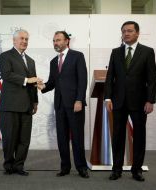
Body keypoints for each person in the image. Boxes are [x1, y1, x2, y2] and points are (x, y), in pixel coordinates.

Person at [104, 21, 156, 181]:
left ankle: (137, 170)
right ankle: (117, 169)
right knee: (118, 136)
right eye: (124, 31)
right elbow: (110, 77)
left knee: (139, 136)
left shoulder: (147, 52)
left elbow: (152, 79)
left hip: (140, 102)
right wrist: (107, 98)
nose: (126, 33)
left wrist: (150, 100)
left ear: (137, 33)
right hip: (118, 101)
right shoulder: (116, 52)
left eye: (130, 31)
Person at [37, 31, 89, 178]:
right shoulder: (54, 61)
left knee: (77, 137)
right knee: (62, 137)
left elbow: (82, 80)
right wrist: (43, 86)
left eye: (58, 40)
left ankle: (81, 167)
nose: (55, 43)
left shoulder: (77, 56)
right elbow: (53, 82)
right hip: (59, 105)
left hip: (75, 104)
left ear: (67, 41)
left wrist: (79, 99)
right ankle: (65, 167)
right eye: (54, 41)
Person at [0, 29, 39, 176]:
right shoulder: (5, 56)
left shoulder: (31, 61)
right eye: (21, 38)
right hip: (10, 105)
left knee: (24, 139)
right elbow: (7, 75)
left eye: (26, 39)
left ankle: (19, 166)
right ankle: (8, 165)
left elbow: (33, 82)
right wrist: (26, 80)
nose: (24, 41)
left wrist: (35, 102)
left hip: (27, 106)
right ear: (14, 40)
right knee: (10, 138)